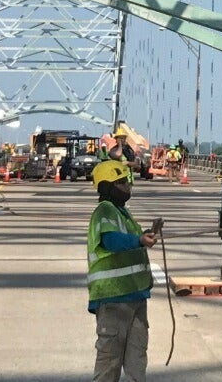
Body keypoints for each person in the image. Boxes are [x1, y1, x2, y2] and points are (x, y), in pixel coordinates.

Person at [87, 160, 157, 382]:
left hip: (136, 296)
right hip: (113, 298)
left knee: (137, 359)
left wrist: (147, 234)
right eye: (121, 182)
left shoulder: (123, 213)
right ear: (107, 186)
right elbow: (112, 241)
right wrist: (138, 239)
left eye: (127, 181)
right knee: (109, 362)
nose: (128, 186)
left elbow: (132, 244)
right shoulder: (104, 211)